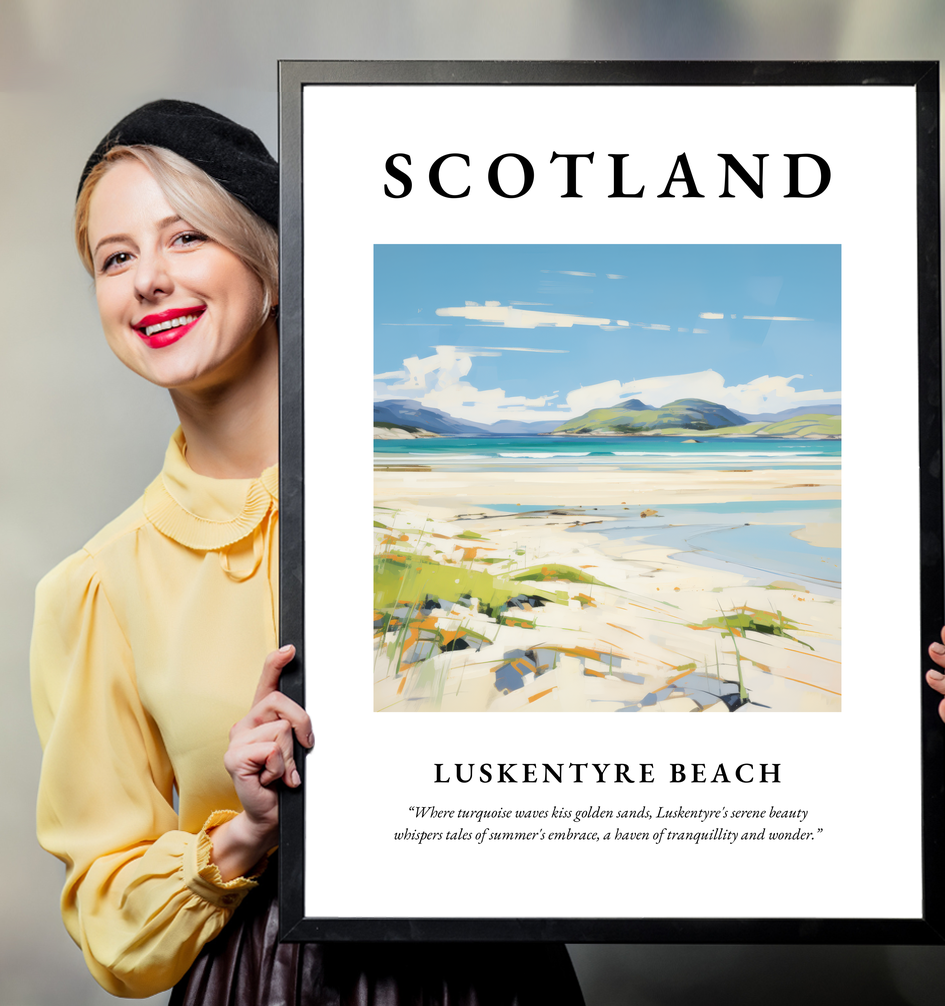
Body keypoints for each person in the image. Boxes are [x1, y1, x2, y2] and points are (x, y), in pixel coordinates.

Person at [30, 100, 586, 1004]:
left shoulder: (444, 501)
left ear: (273, 263)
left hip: (493, 973)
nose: (148, 281)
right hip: (262, 982)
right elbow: (110, 923)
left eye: (185, 239)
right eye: (116, 257)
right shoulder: (97, 587)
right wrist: (245, 832)